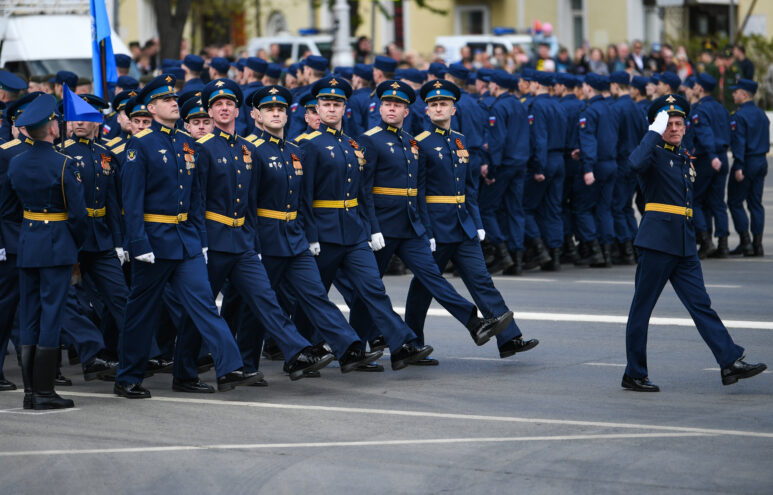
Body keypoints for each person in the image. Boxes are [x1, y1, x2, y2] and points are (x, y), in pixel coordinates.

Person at [117, 74, 261, 399]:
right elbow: (132, 200)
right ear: (152, 108)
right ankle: (127, 376)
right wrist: (137, 242)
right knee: (142, 312)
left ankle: (226, 366)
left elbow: (195, 197)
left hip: (186, 241)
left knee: (204, 305)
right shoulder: (140, 144)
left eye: (174, 99)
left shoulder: (186, 144)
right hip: (153, 242)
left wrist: (200, 239)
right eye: (167, 100)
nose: (173, 103)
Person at [351, 79, 514, 351]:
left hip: (411, 226)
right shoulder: (370, 140)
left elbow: (418, 190)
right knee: (368, 290)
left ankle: (474, 324)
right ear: (379, 108)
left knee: (434, 280)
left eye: (398, 105)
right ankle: (353, 347)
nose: (391, 109)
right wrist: (372, 227)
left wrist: (427, 229)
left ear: (407, 112)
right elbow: (364, 189)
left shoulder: (411, 143)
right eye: (387, 104)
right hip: (383, 227)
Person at [622, 94, 767, 392]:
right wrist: (653, 131)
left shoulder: (682, 156)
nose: (675, 128)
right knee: (642, 309)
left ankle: (729, 361)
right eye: (669, 124)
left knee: (701, 305)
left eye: (679, 123)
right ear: (659, 126)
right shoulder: (652, 152)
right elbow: (633, 163)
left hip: (684, 243)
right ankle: (634, 373)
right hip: (658, 242)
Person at [297, 76, 434, 370]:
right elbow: (304, 196)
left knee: (372, 289)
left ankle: (401, 344)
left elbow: (362, 191)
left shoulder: (351, 144)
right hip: (324, 231)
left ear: (345, 108)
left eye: (337, 104)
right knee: (315, 296)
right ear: (317, 109)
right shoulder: (307, 144)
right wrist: (310, 235)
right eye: (326, 104)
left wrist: (370, 228)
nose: (331, 109)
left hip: (354, 230)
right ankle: (305, 350)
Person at [403, 79, 538, 358]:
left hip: (462, 224)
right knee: (424, 286)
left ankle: (509, 338)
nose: (438, 108)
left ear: (454, 109)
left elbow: (470, 187)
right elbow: (419, 192)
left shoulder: (461, 140)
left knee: (482, 280)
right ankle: (412, 342)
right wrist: (426, 231)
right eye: (433, 105)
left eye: (443, 104)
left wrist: (477, 222)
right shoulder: (421, 144)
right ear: (426, 111)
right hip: (437, 227)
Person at [1, 93, 89, 409]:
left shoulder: (17, 163)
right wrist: (74, 243)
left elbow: (8, 210)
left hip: (26, 244)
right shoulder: (65, 164)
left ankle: (29, 392)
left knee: (30, 316)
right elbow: (78, 217)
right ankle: (44, 392)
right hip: (57, 246)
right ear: (51, 128)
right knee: (51, 314)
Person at [687, 73, 731, 258]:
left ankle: (706, 241)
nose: (694, 87)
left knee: (696, 200)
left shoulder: (699, 110)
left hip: (707, 158)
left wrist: (712, 156)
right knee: (717, 203)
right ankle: (723, 244)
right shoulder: (721, 108)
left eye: (696, 85)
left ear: (700, 88)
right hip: (722, 157)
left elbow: (705, 135)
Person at [727, 79, 770, 257]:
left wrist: (738, 166)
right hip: (761, 161)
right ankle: (757, 244)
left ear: (744, 95)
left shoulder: (740, 116)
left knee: (735, 202)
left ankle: (746, 243)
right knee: (755, 204)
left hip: (746, 162)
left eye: (736, 92)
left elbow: (739, 143)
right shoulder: (761, 114)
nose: (733, 94)